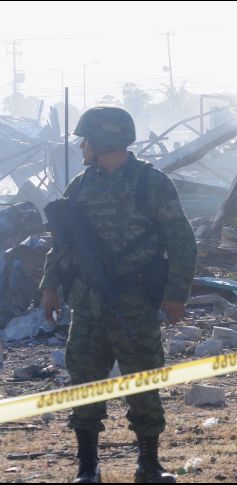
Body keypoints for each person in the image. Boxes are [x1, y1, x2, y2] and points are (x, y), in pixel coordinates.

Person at [40, 106, 197, 483]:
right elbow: (62, 244)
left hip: (135, 303)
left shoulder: (151, 183)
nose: (81, 146)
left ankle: (148, 465)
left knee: (143, 381)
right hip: (88, 305)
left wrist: (176, 294)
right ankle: (88, 468)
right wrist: (49, 287)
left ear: (102, 141)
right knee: (85, 383)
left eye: (86, 140)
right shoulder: (81, 185)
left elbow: (181, 241)